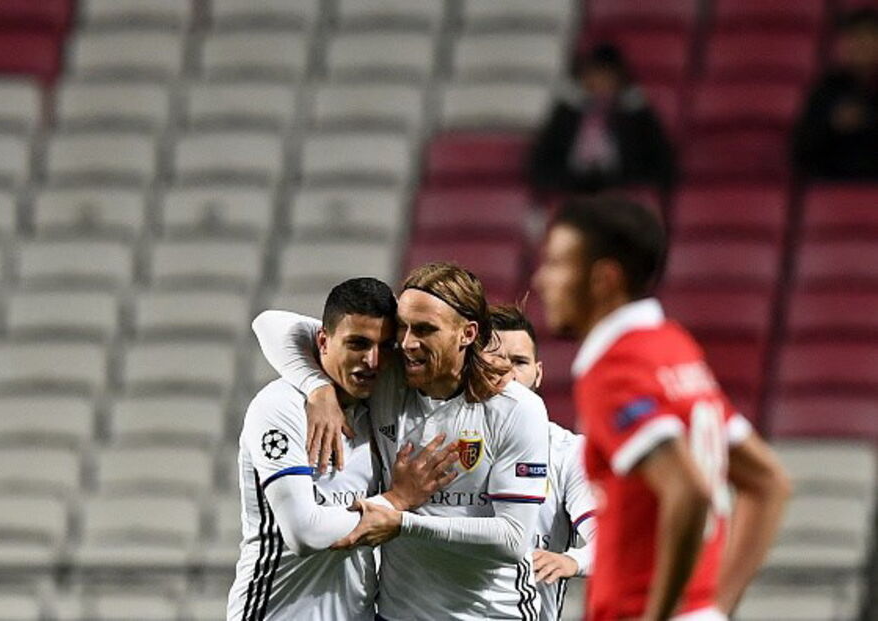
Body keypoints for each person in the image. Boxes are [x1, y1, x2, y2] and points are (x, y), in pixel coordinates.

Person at [532, 197, 792, 620]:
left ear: (604, 279)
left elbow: (688, 490)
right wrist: (716, 607)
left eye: (558, 264)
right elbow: (768, 482)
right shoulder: (673, 348)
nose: (542, 280)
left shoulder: (615, 366)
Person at [253, 263, 550, 620]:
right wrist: (317, 387)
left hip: (491, 615)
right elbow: (271, 324)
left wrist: (403, 520)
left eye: (425, 329)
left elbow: (514, 539)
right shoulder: (388, 376)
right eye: (402, 328)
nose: (407, 343)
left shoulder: (515, 408)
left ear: (467, 333)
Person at [228, 277, 459, 621]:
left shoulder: (375, 409)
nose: (373, 361)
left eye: (385, 346)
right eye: (358, 344)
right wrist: (397, 499)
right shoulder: (281, 407)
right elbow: (304, 532)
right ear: (323, 341)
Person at [488, 304, 598, 621]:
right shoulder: (448, 439)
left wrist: (572, 560)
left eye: (519, 362)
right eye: (494, 360)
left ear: (538, 373)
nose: (507, 373)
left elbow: (607, 541)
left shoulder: (568, 452)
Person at [528, 43, 676, 197]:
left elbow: (662, 163)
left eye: (606, 76)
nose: (599, 82)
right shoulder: (567, 113)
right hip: (572, 188)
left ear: (620, 79)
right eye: (594, 75)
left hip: (620, 191)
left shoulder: (636, 114)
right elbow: (540, 162)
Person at [793, 8, 878, 180]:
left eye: (869, 37)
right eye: (855, 38)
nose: (862, 45)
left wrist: (869, 120)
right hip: (833, 184)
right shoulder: (828, 88)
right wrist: (832, 125)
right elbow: (801, 149)